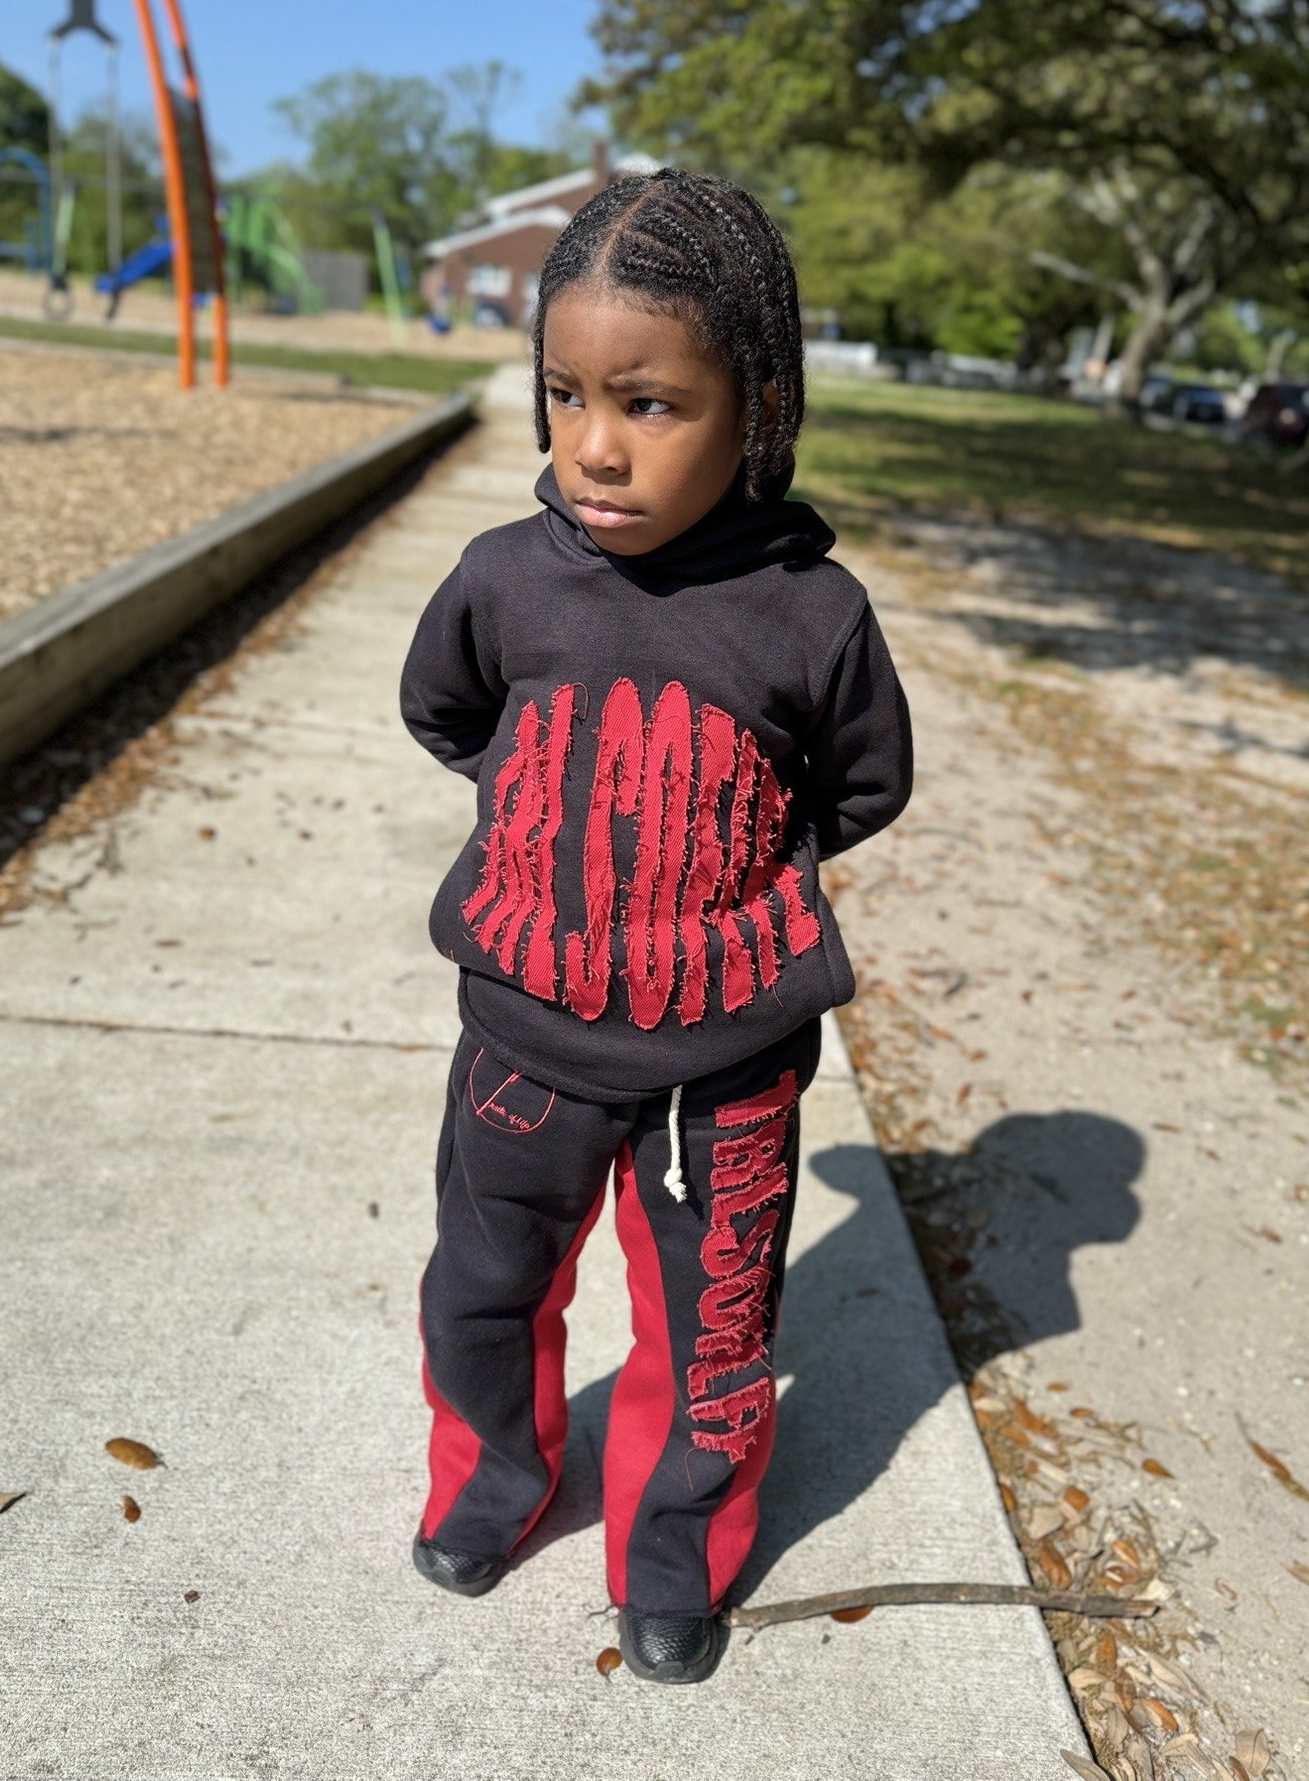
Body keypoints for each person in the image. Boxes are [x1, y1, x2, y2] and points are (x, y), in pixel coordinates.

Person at [398, 167, 913, 1685]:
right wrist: (556, 809)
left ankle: (675, 1552)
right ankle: (497, 1482)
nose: (594, 445)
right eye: (564, 395)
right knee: (484, 1288)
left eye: (652, 403)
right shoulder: (505, 578)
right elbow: (446, 712)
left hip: (729, 1064)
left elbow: (864, 784)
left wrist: (725, 850)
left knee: (711, 1334)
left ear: (756, 408)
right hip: (523, 1046)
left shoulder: (812, 616)